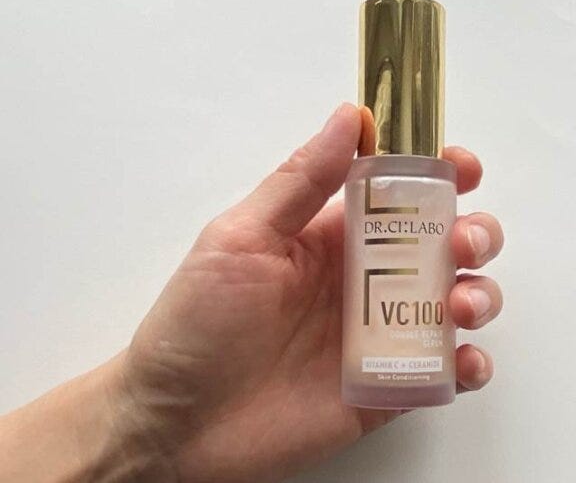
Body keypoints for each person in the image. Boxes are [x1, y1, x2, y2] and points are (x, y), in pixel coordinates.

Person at [0, 103, 503, 482]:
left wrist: (142, 433)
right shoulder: (370, 175)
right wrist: (144, 423)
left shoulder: (427, 178)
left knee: (456, 263)